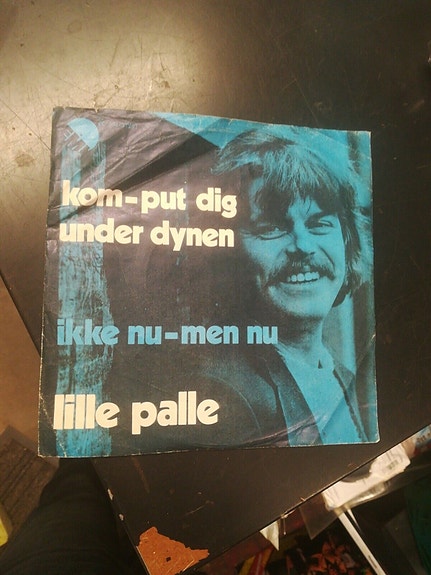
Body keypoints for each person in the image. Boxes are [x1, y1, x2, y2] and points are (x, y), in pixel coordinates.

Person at [183, 127, 377, 448]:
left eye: (319, 223)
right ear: (228, 250)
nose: (303, 246)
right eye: (271, 227)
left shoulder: (344, 379)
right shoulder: (225, 392)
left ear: (347, 240)